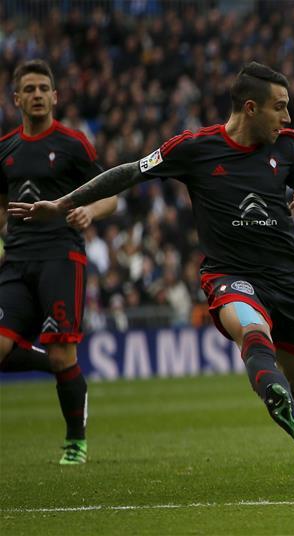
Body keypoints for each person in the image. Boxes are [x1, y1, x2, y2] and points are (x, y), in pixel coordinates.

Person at [10, 62, 294, 482]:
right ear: (251, 108)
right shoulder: (194, 148)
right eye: (281, 107)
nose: (288, 117)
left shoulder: (289, 148)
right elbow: (128, 173)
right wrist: (61, 204)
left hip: (289, 280)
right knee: (252, 331)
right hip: (229, 274)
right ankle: (275, 398)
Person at [0, 60, 117, 464]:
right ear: (16, 98)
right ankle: (50, 364)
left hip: (60, 258)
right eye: (28, 89)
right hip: (15, 260)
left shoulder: (72, 144)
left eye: (42, 88)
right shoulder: (6, 150)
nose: (36, 95)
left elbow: (110, 192)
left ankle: (75, 441)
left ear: (55, 96)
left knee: (65, 354)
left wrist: (91, 212)